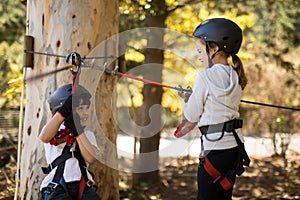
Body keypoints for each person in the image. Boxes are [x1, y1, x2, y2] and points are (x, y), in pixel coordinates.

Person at [175, 18, 250, 200]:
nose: (199, 57)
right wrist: (193, 97)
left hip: (214, 151)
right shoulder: (235, 75)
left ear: (214, 49)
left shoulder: (205, 76)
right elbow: (216, 105)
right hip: (233, 150)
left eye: (200, 51)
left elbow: (192, 115)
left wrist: (190, 101)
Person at [39, 84, 101, 200]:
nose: (86, 113)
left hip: (83, 185)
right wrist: (63, 113)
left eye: (87, 108)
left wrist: (77, 131)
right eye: (80, 108)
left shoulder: (87, 135)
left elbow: (90, 158)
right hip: (57, 186)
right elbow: (44, 137)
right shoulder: (55, 132)